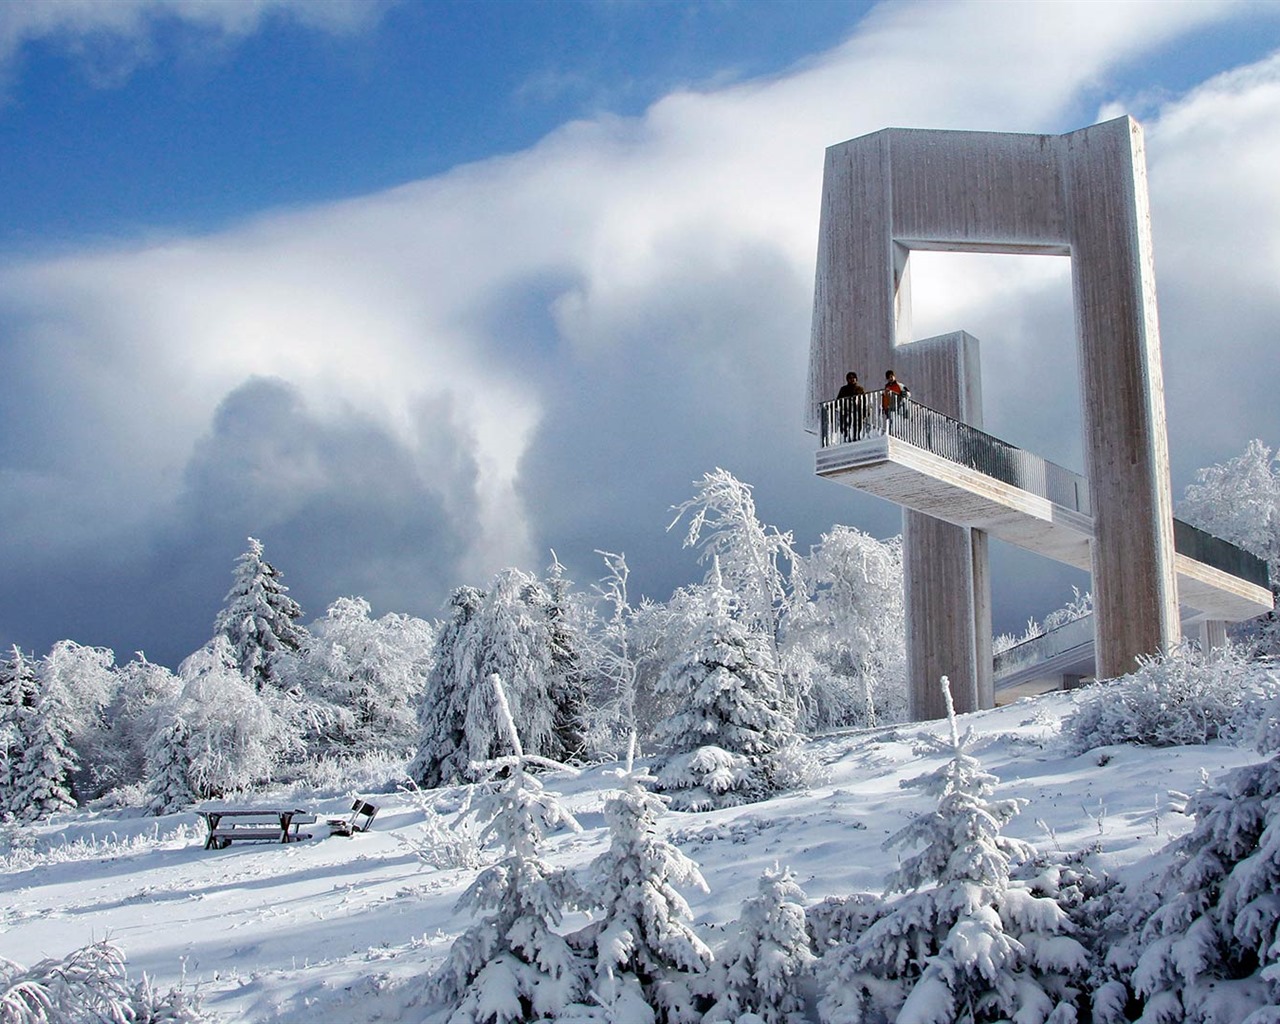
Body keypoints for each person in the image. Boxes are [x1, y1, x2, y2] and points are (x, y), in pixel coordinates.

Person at [835, 371, 865, 441]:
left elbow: (864, 401)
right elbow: (839, 400)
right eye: (850, 378)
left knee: (857, 425)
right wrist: (831, 407)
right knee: (845, 425)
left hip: (857, 410)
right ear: (847, 380)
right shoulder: (844, 389)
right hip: (846, 410)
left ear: (856, 379)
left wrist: (865, 412)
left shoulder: (860, 389)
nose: (852, 379)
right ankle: (846, 437)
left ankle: (856, 437)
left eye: (853, 378)